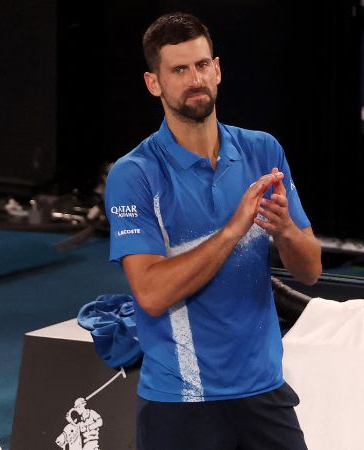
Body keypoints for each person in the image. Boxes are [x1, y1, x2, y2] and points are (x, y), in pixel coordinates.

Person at [104, 12, 321, 450]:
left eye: (202, 66)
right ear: (154, 83)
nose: (194, 79)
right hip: (182, 404)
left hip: (264, 392)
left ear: (217, 70)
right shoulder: (135, 175)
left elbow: (311, 269)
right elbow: (150, 291)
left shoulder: (263, 150)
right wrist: (232, 231)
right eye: (178, 70)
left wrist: (284, 232)